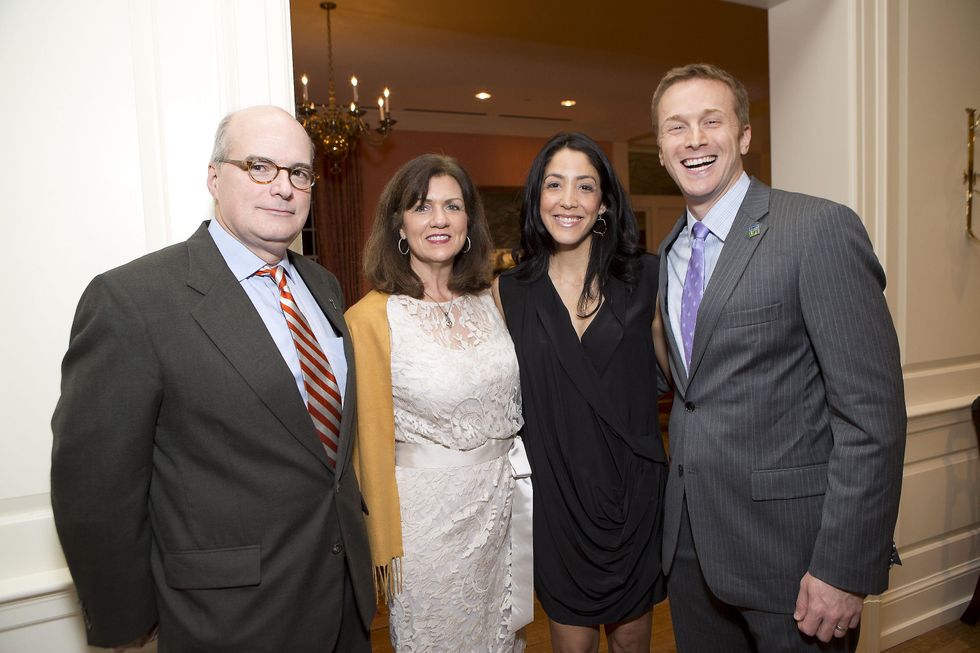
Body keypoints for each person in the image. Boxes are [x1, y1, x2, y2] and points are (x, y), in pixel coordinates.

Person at [50, 106, 374, 652]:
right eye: (260, 166)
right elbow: (95, 491)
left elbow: (325, 459)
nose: (284, 188)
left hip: (342, 604)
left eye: (299, 173)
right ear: (213, 177)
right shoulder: (134, 300)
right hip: (225, 620)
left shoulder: (322, 284)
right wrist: (132, 630)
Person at [650, 63, 907, 652]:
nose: (693, 140)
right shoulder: (668, 251)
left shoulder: (817, 228)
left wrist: (844, 566)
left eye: (710, 122)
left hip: (793, 561)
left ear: (743, 136)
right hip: (692, 555)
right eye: (675, 127)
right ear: (661, 149)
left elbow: (872, 417)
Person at [346, 153, 533, 652]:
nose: (439, 219)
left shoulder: (493, 299)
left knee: (502, 638)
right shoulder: (370, 319)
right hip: (428, 523)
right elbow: (363, 441)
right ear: (398, 225)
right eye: (422, 207)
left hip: (503, 506)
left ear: (469, 221)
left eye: (452, 206)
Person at [494, 132, 669, 653]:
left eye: (584, 186)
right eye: (554, 184)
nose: (568, 199)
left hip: (633, 495)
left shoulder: (649, 277)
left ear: (604, 204)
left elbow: (695, 383)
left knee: (633, 643)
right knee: (572, 647)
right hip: (557, 500)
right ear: (537, 197)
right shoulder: (507, 293)